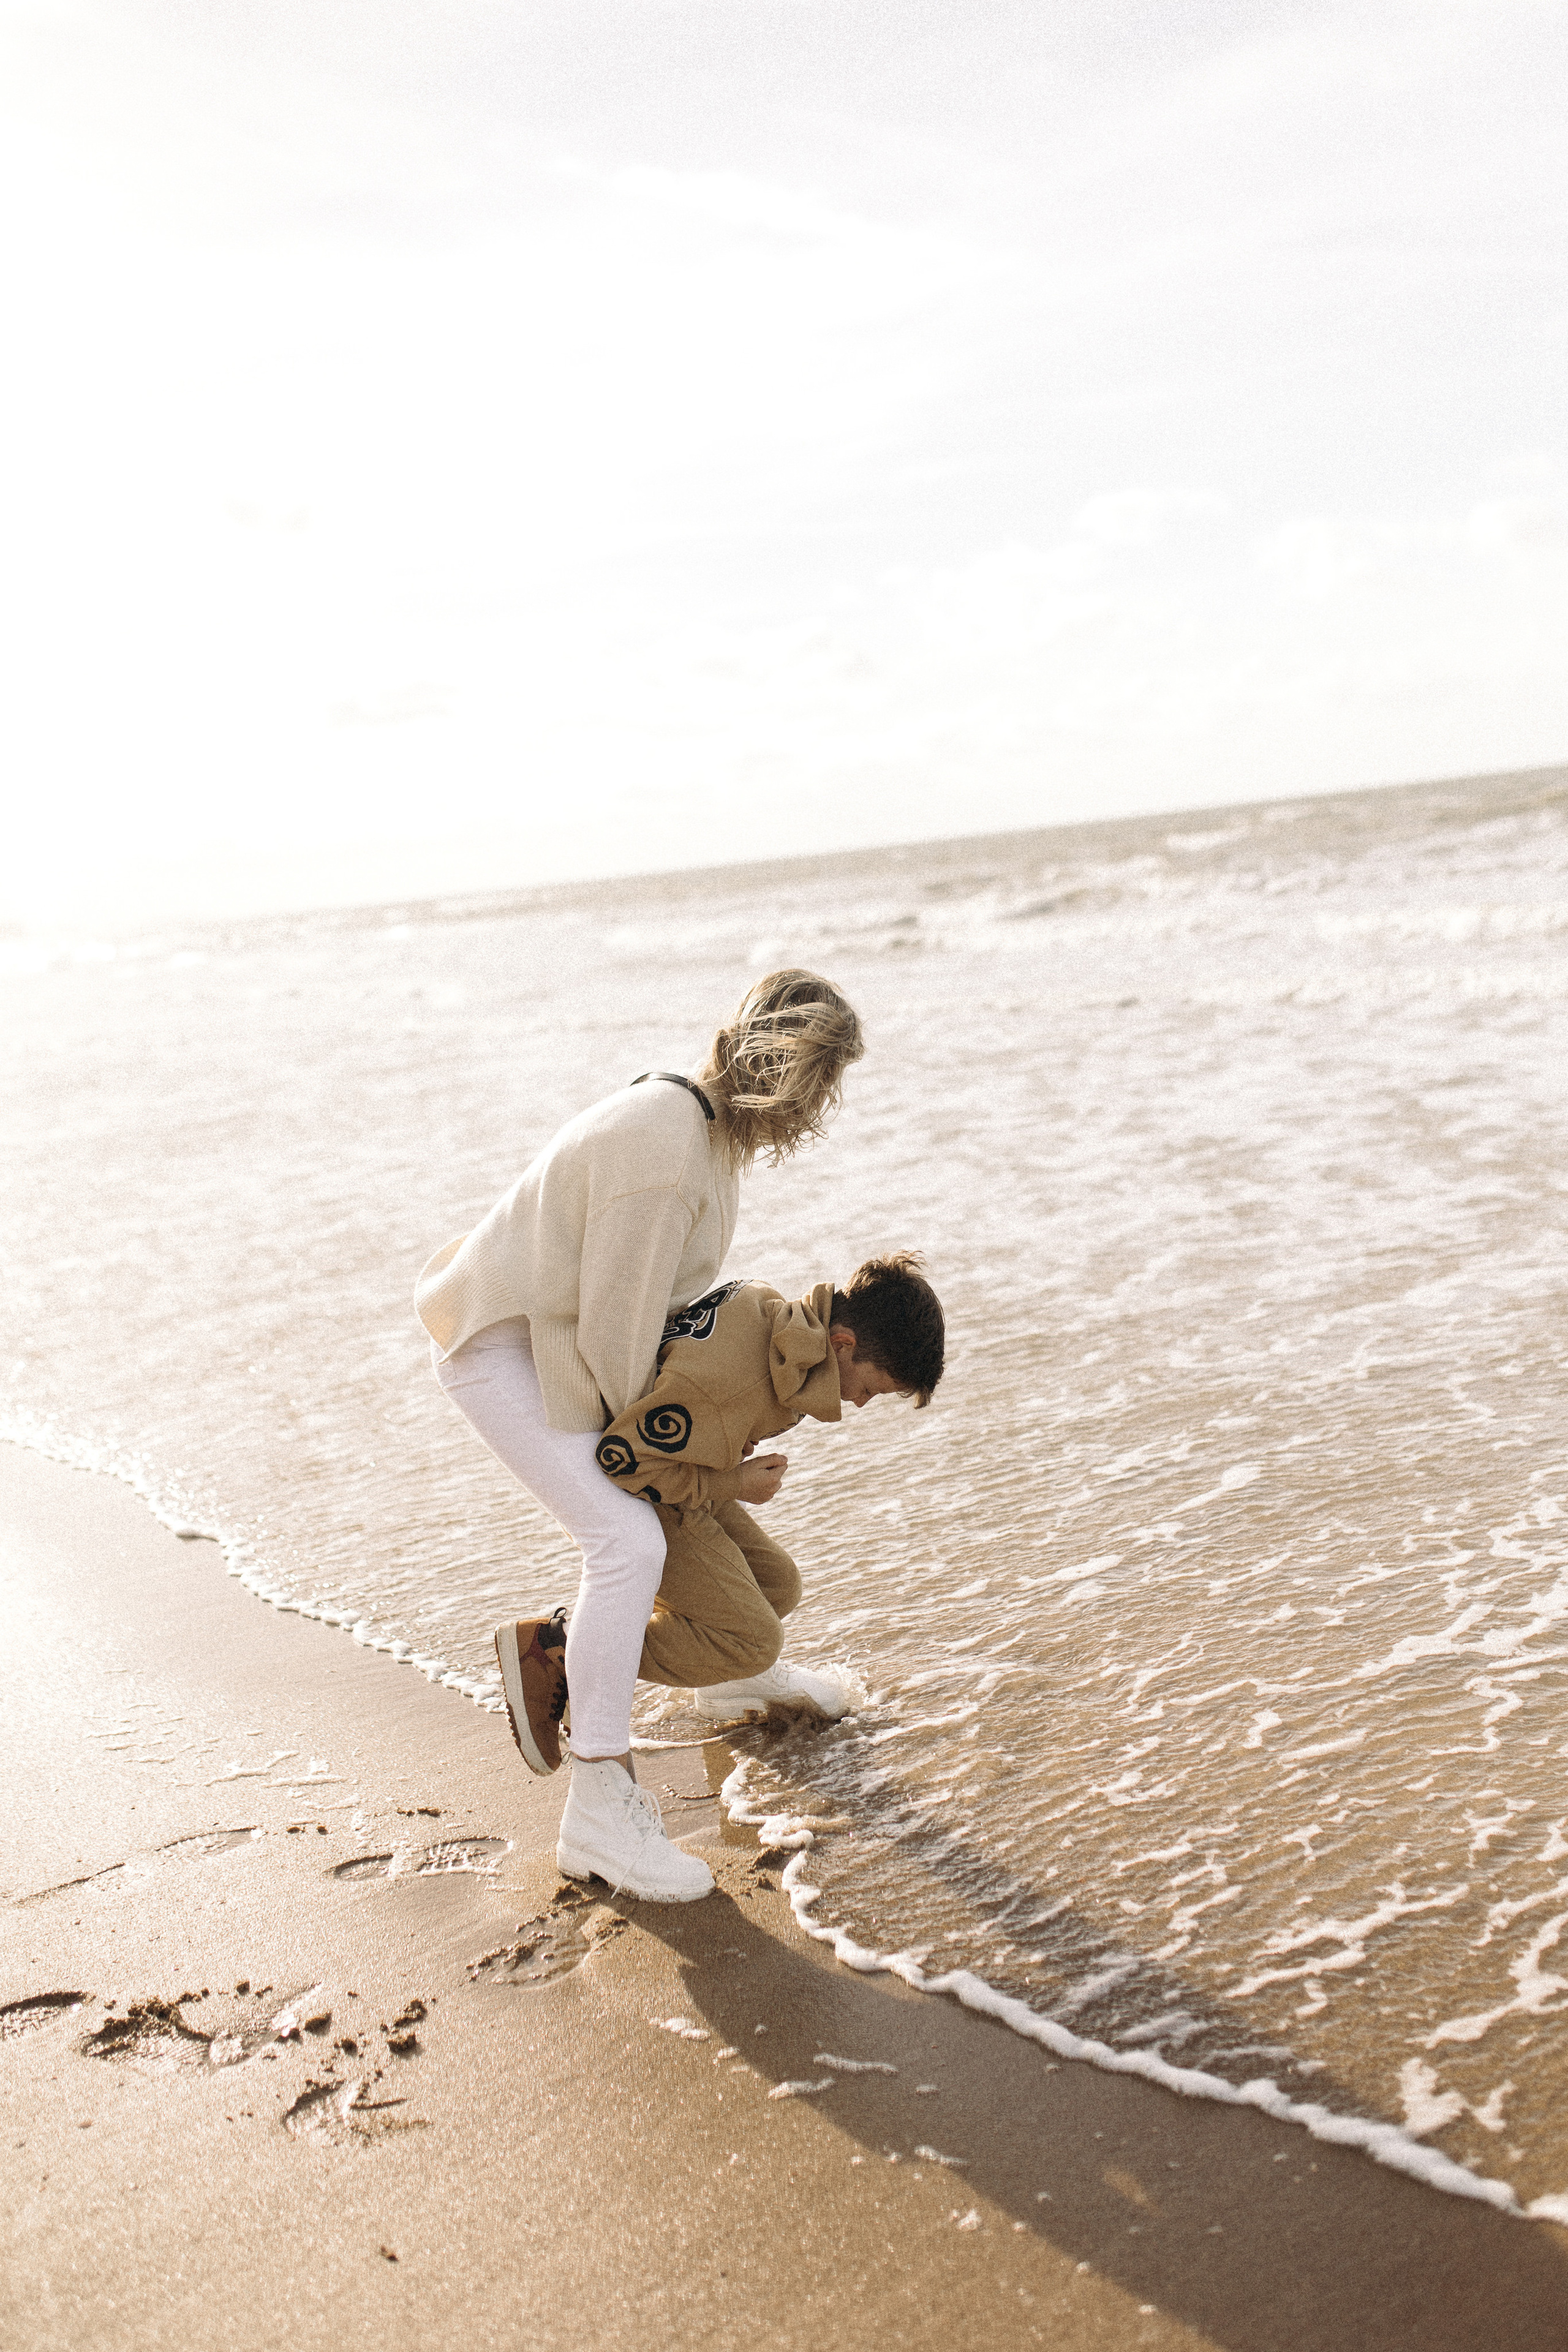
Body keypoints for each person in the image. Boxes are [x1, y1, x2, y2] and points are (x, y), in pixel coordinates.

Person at [417, 969, 864, 1903]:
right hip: (506, 1348)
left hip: (555, 1339)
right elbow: (616, 1343)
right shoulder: (668, 1147)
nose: (819, 1114)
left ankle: (738, 1666)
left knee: (704, 1548)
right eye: (819, 1087)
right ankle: (597, 1804)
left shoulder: (704, 1130)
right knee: (626, 1541)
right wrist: (682, 1471)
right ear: (785, 1069)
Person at [508, 1251, 946, 1899]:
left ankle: (724, 1686)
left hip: (686, 1470)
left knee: (778, 1589)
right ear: (844, 1342)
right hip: (655, 1489)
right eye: (871, 1388)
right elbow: (621, 1460)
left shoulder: (778, 1321)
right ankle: (558, 1646)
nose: (860, 1402)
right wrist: (729, 1479)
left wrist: (721, 1446)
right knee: (753, 1637)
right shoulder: (739, 1382)